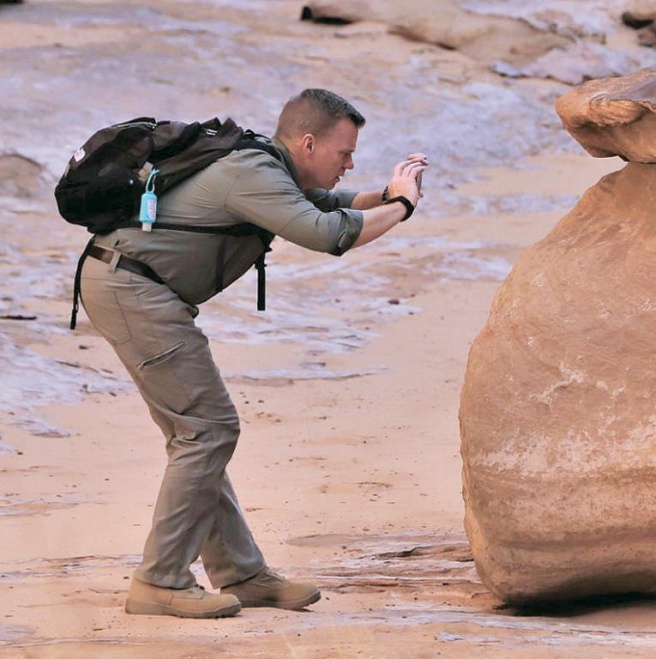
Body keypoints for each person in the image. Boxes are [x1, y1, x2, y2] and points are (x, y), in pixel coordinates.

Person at [79, 88, 429, 618]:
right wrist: (402, 206)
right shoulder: (254, 172)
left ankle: (242, 574)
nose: (350, 163)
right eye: (345, 153)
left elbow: (329, 205)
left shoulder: (269, 168)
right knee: (207, 429)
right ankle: (159, 581)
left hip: (138, 287)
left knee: (199, 433)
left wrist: (384, 194)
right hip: (132, 289)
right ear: (308, 143)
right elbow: (329, 234)